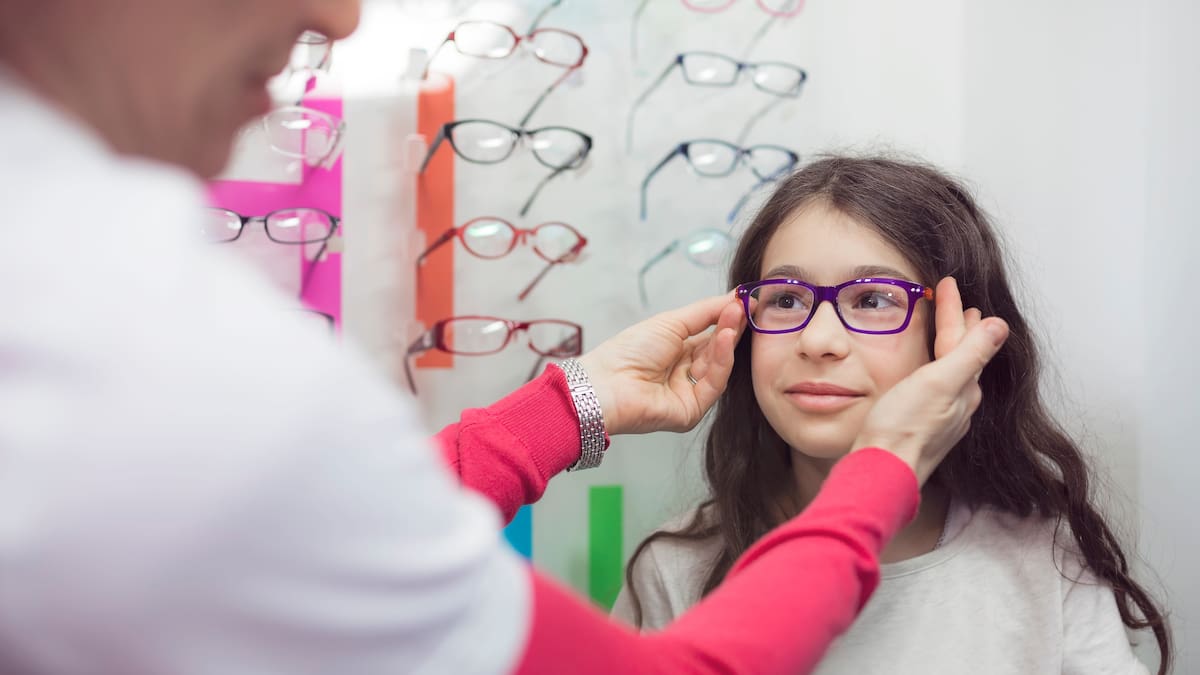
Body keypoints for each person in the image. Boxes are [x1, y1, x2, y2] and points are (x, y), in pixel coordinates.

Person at [0, 1, 1010, 673]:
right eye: (786, 300)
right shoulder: (139, 341)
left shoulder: (1038, 574)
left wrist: (565, 408)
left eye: (873, 302)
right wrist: (886, 462)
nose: (341, 16)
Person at [611, 156, 1173, 674]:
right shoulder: (677, 567)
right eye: (785, 298)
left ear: (952, 337)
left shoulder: (1042, 560)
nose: (819, 339)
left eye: (873, 299)